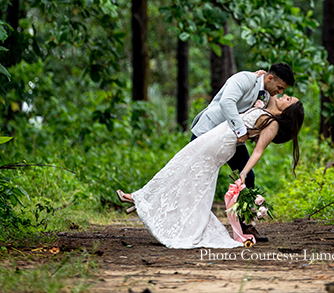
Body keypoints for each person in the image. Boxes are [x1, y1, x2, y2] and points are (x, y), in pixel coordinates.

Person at [116, 92, 304, 249]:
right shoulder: (264, 108)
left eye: (288, 100)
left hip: (221, 145)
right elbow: (264, 91)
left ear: (286, 112)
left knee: (191, 178)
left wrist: (244, 173)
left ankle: (144, 200)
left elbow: (257, 152)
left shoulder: (273, 124)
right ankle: (142, 197)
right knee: (180, 166)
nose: (284, 95)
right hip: (215, 136)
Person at [190, 62, 295, 242]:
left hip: (232, 140)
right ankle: (190, 224)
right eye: (279, 87)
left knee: (248, 177)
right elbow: (227, 102)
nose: (279, 92)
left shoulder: (265, 92)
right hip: (208, 132)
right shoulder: (245, 78)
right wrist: (241, 131)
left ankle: (246, 228)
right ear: (270, 78)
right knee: (194, 178)